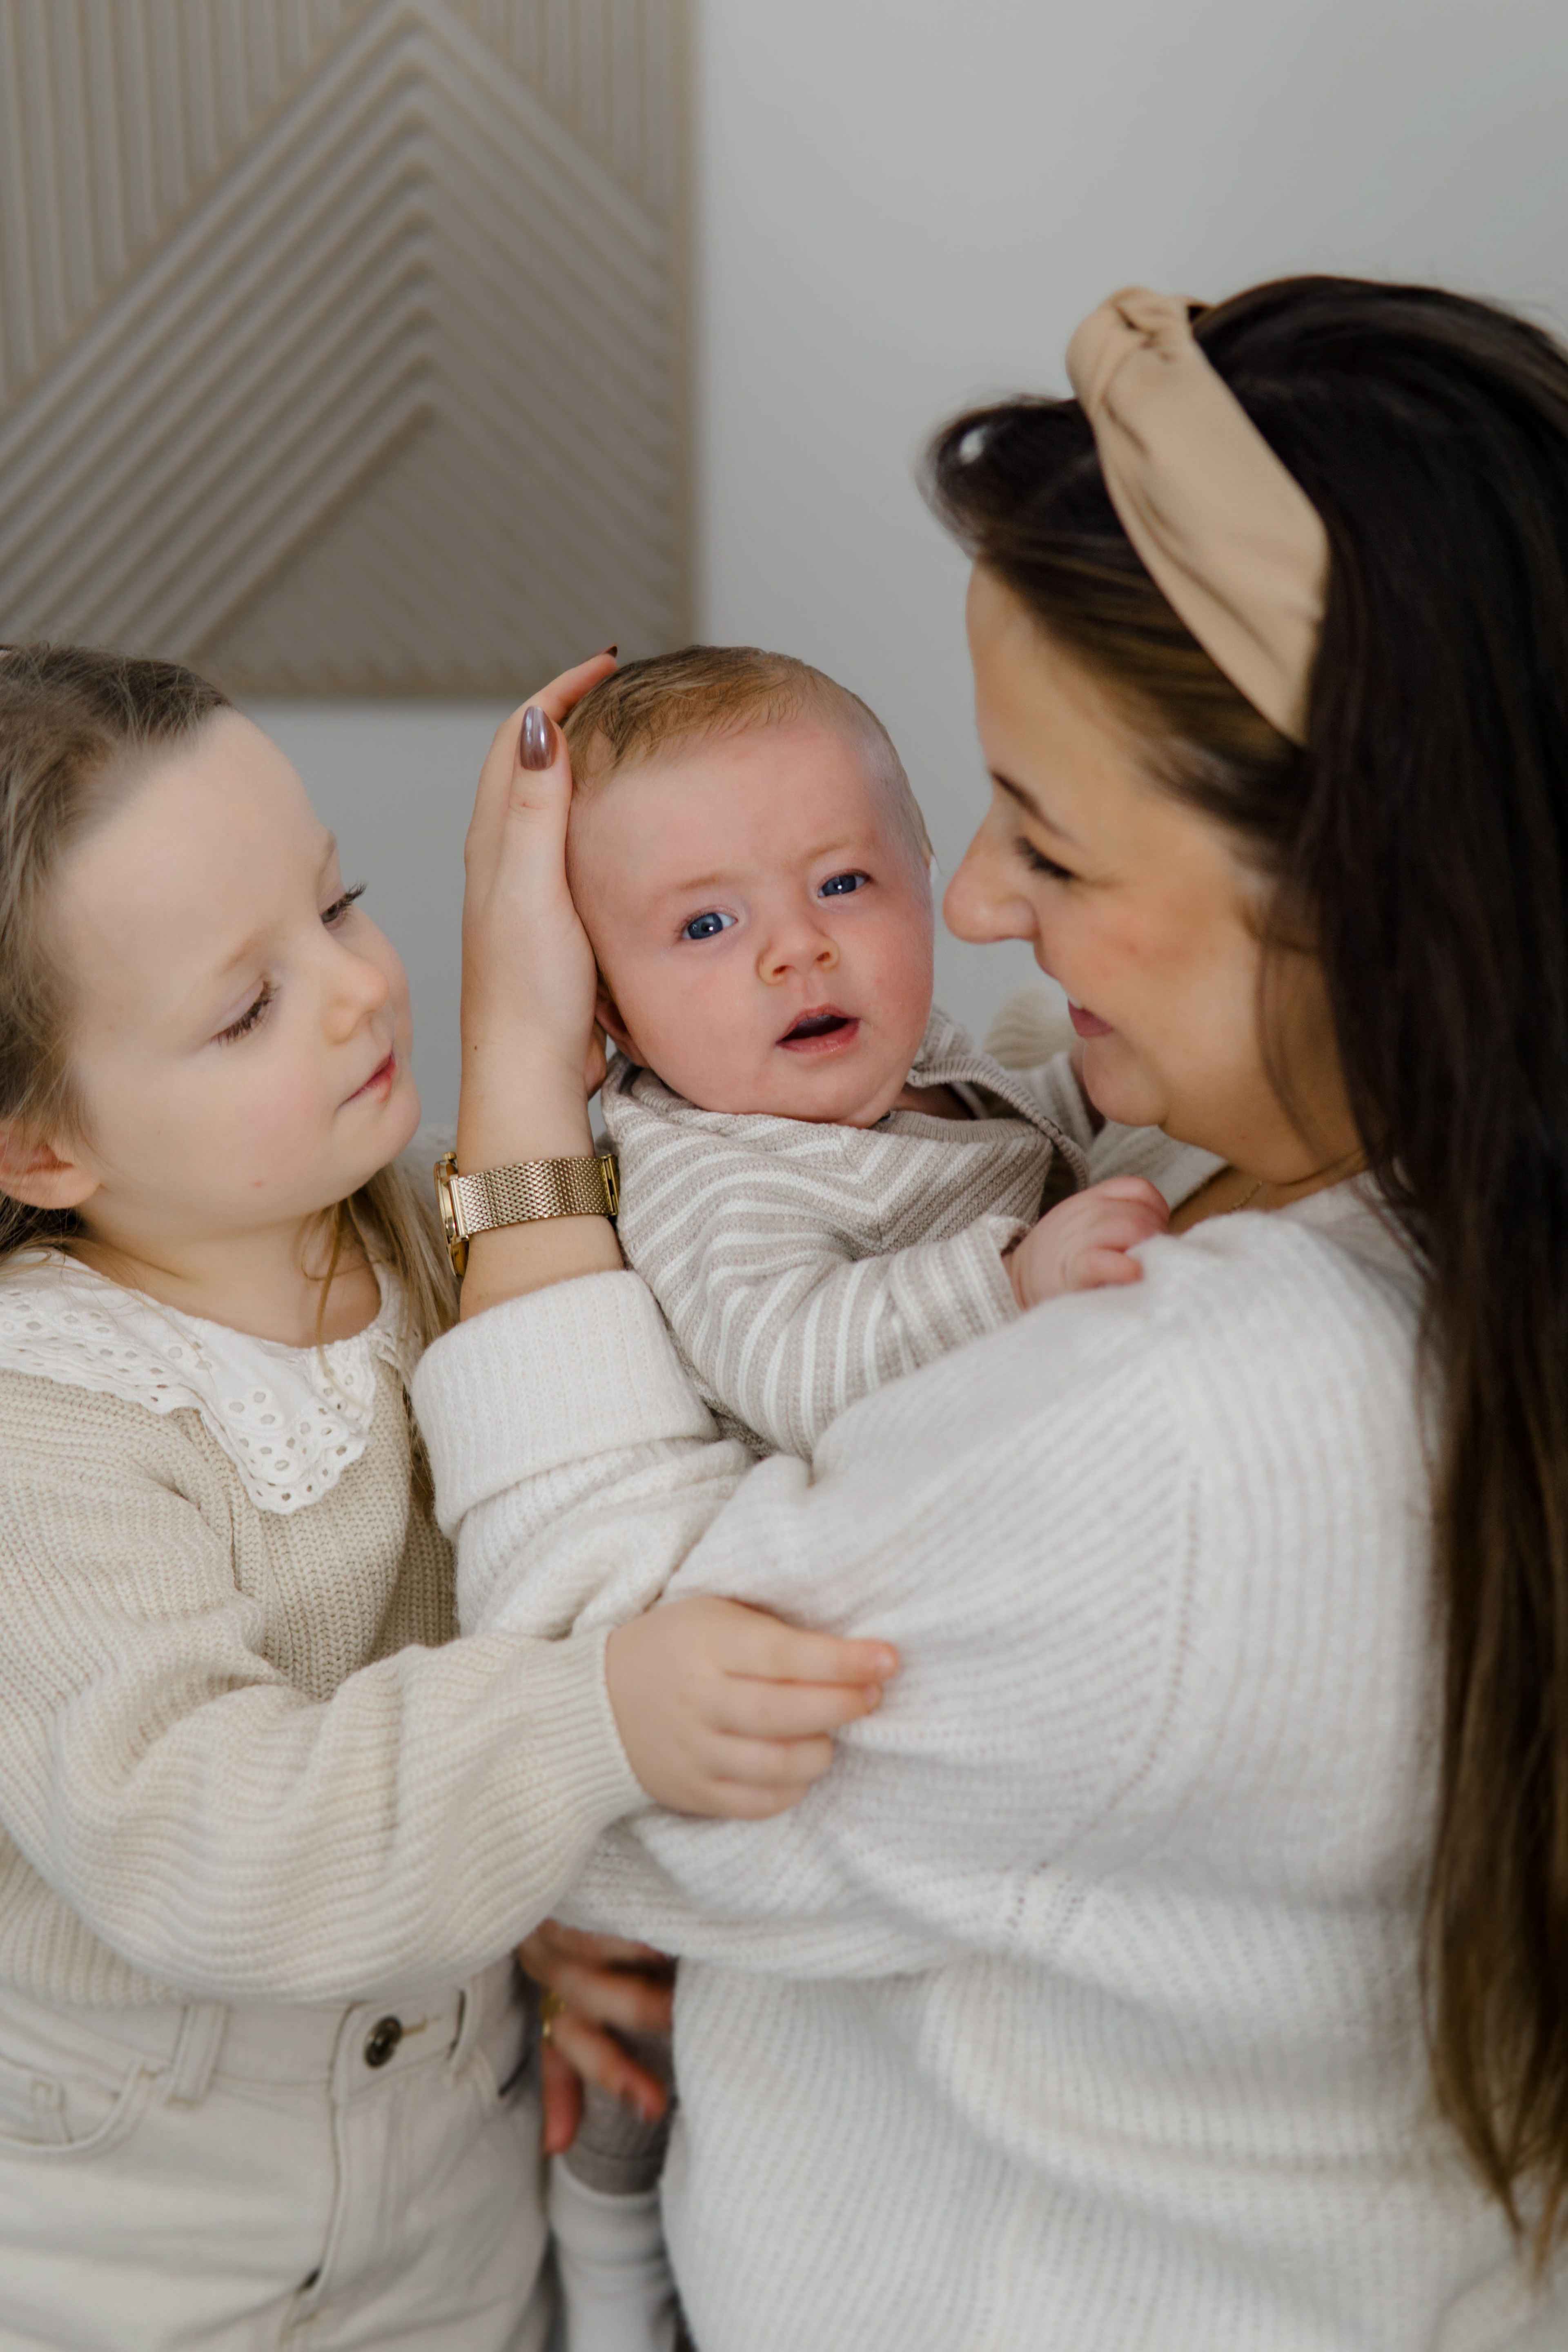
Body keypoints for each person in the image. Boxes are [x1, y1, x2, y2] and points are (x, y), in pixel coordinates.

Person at [415, 278, 1568, 2350]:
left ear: (1355, 872)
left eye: (1046, 840)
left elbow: (583, 1734)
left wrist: (517, 1080)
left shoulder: (1203, 1432)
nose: (969, 908)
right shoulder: (1342, 1187)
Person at [0, 645, 894, 2352]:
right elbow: (209, 1842)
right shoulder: (43, 1423)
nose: (356, 990)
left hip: (457, 2245)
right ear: (43, 1145)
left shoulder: (436, 1241)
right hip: (131, 2275)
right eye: (247, 1008)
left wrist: (525, 1909)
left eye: (339, 903)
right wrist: (594, 1722)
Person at [478, 643, 1173, 2352]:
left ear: (930, 875)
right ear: (603, 1012)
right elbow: (794, 1357)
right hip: (722, 1698)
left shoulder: (931, 1083)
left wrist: (1105, 1103)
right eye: (706, 925)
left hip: (874, 1769)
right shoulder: (710, 1166)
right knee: (634, 2082)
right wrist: (1011, 1281)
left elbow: (1027, 1134)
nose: (795, 947)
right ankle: (608, 2293)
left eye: (846, 883)